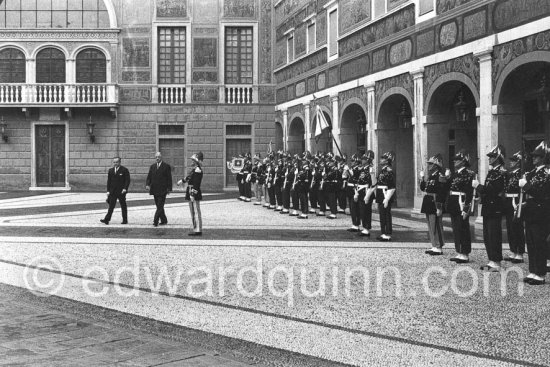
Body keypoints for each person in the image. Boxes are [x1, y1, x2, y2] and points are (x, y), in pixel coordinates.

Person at [519, 141, 550, 285]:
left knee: (539, 242)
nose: (533, 159)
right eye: (533, 156)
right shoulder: (532, 173)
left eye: (537, 157)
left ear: (544, 158)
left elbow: (541, 193)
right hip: (531, 209)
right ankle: (533, 270)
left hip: (540, 211)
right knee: (530, 242)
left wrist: (526, 186)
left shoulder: (547, 173)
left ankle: (541, 273)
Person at [472, 145, 506, 271]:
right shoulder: (492, 172)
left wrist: (479, 187)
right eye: (490, 157)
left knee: (494, 234)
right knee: (487, 235)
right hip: (488, 207)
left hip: (495, 207)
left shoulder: (500, 173)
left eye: (492, 157)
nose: (489, 159)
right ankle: (491, 259)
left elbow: (493, 190)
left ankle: (496, 261)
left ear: (498, 158)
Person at [445, 150, 475, 264]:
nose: (455, 162)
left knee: (463, 228)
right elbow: (449, 188)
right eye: (455, 160)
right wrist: (447, 178)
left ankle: (465, 253)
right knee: (456, 228)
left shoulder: (469, 174)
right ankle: (459, 251)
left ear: (463, 162)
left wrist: (466, 208)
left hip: (461, 202)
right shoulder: (455, 174)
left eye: (457, 160)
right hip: (454, 203)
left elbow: (469, 192)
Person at [420, 154, 446, 255]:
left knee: (436, 224)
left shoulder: (440, 176)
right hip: (428, 200)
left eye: (431, 164)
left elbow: (441, 192)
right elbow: (423, 188)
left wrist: (439, 206)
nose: (429, 165)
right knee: (430, 224)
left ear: (436, 165)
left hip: (435, 201)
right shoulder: (431, 176)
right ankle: (434, 245)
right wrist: (422, 178)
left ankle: (438, 246)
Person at [503, 151, 525, 264]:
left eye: (514, 161)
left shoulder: (521, 174)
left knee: (517, 227)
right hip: (508, 202)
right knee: (510, 227)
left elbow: (522, 191)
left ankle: (520, 253)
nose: (511, 162)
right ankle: (513, 250)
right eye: (511, 160)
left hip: (516, 202)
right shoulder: (510, 174)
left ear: (518, 162)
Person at [178, 152, 204, 236]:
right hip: (190, 190)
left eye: (193, 160)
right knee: (193, 211)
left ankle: (198, 229)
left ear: (196, 161)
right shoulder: (194, 169)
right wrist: (182, 181)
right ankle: (195, 228)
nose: (191, 161)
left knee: (196, 211)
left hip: (193, 191)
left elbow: (197, 184)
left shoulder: (198, 170)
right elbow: (189, 177)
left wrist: (193, 194)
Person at [100, 156, 130, 225]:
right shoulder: (111, 170)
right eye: (114, 162)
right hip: (113, 191)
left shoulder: (124, 170)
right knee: (111, 206)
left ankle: (125, 220)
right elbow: (109, 181)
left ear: (120, 162)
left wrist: (125, 188)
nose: (115, 163)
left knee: (123, 206)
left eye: (117, 162)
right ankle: (106, 219)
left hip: (121, 192)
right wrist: (108, 191)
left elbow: (127, 180)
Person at [146, 152, 172, 227]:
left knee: (160, 205)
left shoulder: (166, 166)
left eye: (159, 157)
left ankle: (155, 221)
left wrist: (169, 188)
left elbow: (169, 178)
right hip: (154, 189)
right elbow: (149, 177)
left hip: (163, 189)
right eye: (156, 157)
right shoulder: (152, 166)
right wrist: (147, 184)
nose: (157, 158)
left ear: (161, 157)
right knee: (158, 205)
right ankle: (164, 220)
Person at [375, 152, 396, 241]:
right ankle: (383, 232)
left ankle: (387, 233)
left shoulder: (389, 171)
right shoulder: (383, 170)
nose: (381, 160)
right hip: (381, 194)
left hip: (385, 194)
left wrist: (387, 198)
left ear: (387, 161)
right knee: (382, 215)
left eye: (383, 158)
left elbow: (392, 187)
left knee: (386, 214)